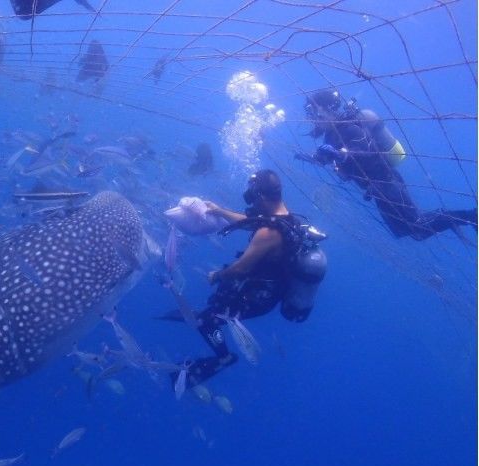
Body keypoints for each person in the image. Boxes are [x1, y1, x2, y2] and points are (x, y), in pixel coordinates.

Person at [176, 170, 327, 387]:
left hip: (256, 297)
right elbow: (252, 221)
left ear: (263, 197)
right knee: (211, 312)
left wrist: (216, 276)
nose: (252, 201)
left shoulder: (268, 233)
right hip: (271, 292)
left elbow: (241, 268)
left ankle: (224, 357)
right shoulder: (287, 219)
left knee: (206, 321)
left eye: (254, 197)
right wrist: (220, 211)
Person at [298, 88, 477, 241]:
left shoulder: (350, 128)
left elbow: (363, 150)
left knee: (417, 227)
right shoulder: (331, 135)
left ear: (326, 110)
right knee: (407, 231)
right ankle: (469, 216)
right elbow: (332, 157)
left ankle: (471, 216)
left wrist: (341, 155)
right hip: (376, 190)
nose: (312, 119)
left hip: (387, 183)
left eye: (313, 113)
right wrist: (314, 158)